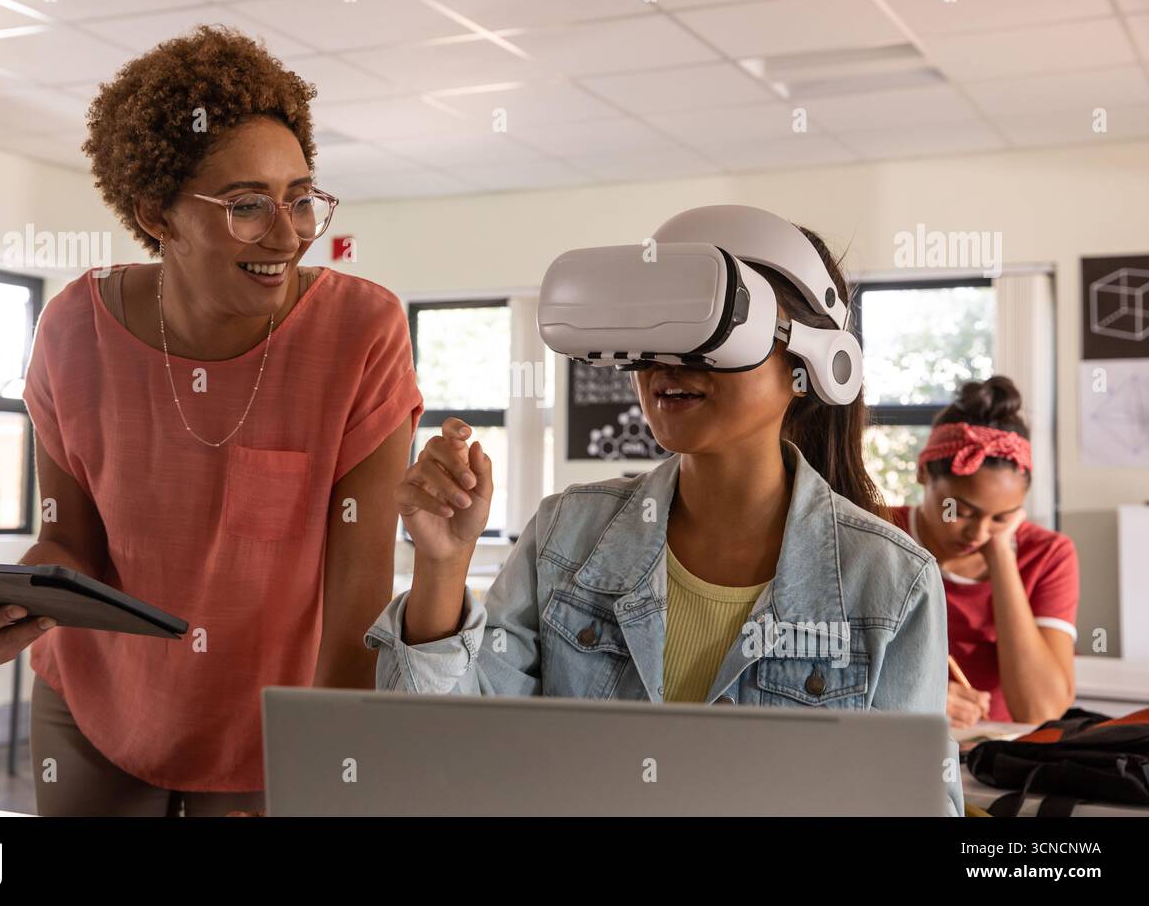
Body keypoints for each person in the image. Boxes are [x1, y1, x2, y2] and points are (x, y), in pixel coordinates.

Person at [0, 25, 424, 815]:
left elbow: (359, 599)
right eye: (246, 206)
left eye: (301, 197)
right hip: (97, 701)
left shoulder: (361, 333)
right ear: (157, 214)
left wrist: (333, 765)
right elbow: (71, 539)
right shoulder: (72, 329)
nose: (290, 232)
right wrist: (15, 604)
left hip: (272, 721)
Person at [366, 208, 965, 815]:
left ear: (808, 363)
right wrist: (442, 566)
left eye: (709, 331)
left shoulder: (890, 582)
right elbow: (444, 752)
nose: (666, 364)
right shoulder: (566, 537)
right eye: (653, 328)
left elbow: (913, 803)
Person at [890, 376, 1078, 728]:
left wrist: (1002, 557)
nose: (978, 534)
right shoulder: (878, 532)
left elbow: (1041, 712)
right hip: (897, 742)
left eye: (1002, 517)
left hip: (996, 757)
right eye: (961, 511)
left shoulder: (1049, 554)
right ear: (922, 473)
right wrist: (915, 694)